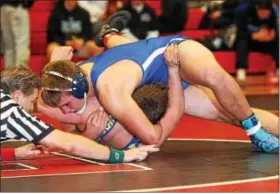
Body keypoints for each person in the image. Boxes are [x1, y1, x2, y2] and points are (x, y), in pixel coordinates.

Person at [40, 22, 279, 152]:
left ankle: (254, 129)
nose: (66, 113)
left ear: (79, 89)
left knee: (213, 75)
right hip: (159, 78)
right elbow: (154, 138)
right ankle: (109, 34)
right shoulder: (66, 81)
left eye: (67, 105)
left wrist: (174, 69)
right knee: (225, 113)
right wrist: (53, 63)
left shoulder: (111, 92)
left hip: (170, 54)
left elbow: (153, 137)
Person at [0, 66, 159, 163]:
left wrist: (12, 153)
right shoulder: (12, 113)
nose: (30, 108)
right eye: (32, 100)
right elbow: (69, 143)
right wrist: (122, 156)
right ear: (17, 95)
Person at [235, 0, 279, 81]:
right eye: (262, 13)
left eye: (266, 14)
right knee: (242, 42)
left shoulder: (272, 12)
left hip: (264, 40)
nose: (264, 16)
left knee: (276, 42)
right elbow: (240, 33)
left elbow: (273, 29)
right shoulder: (245, 12)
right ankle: (241, 70)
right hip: (249, 40)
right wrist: (254, 36)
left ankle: (278, 68)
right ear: (257, 8)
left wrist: (271, 35)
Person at [0, 0, 34, 68]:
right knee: (21, 43)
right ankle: (20, 75)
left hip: (3, 8)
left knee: (9, 47)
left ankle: (8, 76)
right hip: (17, 6)